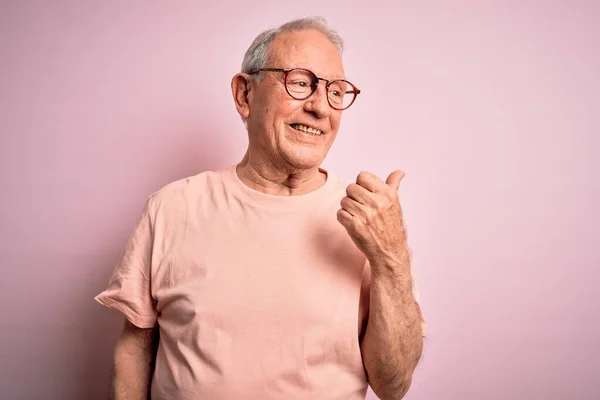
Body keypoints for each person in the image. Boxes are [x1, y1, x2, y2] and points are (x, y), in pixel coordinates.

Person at [95, 16, 426, 400]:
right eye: (301, 83)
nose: (321, 107)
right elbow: (135, 348)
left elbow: (393, 385)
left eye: (337, 91)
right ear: (244, 95)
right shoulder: (171, 208)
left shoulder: (368, 221)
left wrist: (391, 257)